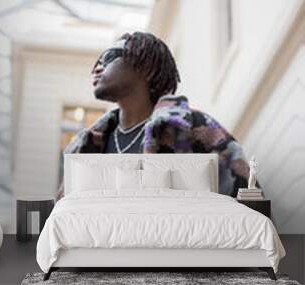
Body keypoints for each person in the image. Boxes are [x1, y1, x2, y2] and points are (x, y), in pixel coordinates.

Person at [57, 31, 250, 199]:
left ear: (145, 66)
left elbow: (247, 196)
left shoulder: (193, 125)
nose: (97, 68)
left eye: (108, 57)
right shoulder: (85, 146)